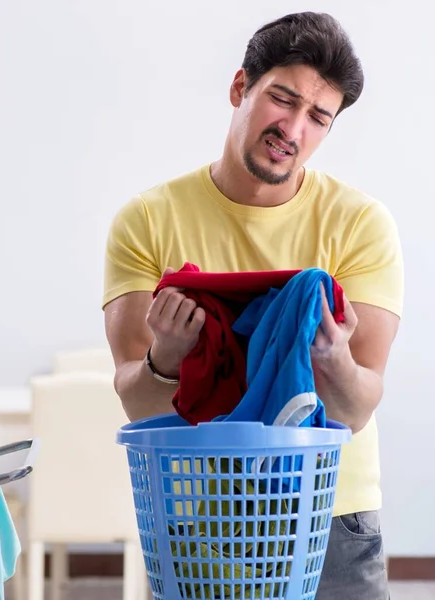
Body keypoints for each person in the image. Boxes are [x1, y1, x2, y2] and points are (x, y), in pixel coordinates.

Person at [102, 11, 402, 599]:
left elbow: (359, 405)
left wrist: (334, 360)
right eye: (281, 99)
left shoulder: (360, 224)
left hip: (332, 512)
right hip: (200, 515)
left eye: (317, 117)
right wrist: (167, 356)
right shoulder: (147, 221)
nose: (292, 128)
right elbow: (137, 403)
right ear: (241, 87)